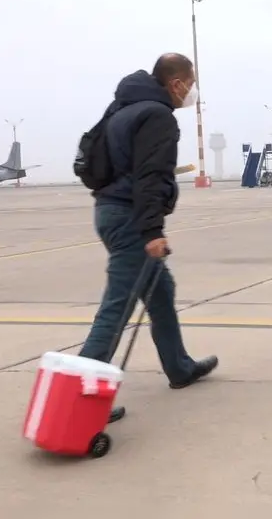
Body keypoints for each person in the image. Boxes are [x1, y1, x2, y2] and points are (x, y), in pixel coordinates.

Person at [79, 53, 219, 423]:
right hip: (130, 219)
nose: (192, 91)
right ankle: (82, 397)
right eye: (191, 82)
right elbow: (150, 176)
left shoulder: (122, 109)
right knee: (118, 308)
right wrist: (152, 231)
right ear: (176, 83)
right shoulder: (157, 116)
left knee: (161, 292)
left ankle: (179, 367)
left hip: (109, 211)